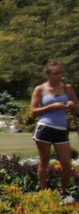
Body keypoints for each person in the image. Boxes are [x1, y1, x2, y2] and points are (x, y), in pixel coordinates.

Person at [30, 60, 77, 202]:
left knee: (67, 164)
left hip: (61, 129)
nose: (59, 76)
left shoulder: (67, 88)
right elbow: (33, 111)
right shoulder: (40, 89)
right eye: (56, 73)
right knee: (44, 161)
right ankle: (44, 192)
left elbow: (77, 105)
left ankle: (62, 191)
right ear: (48, 75)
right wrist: (51, 107)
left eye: (61, 73)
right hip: (45, 128)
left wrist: (72, 104)